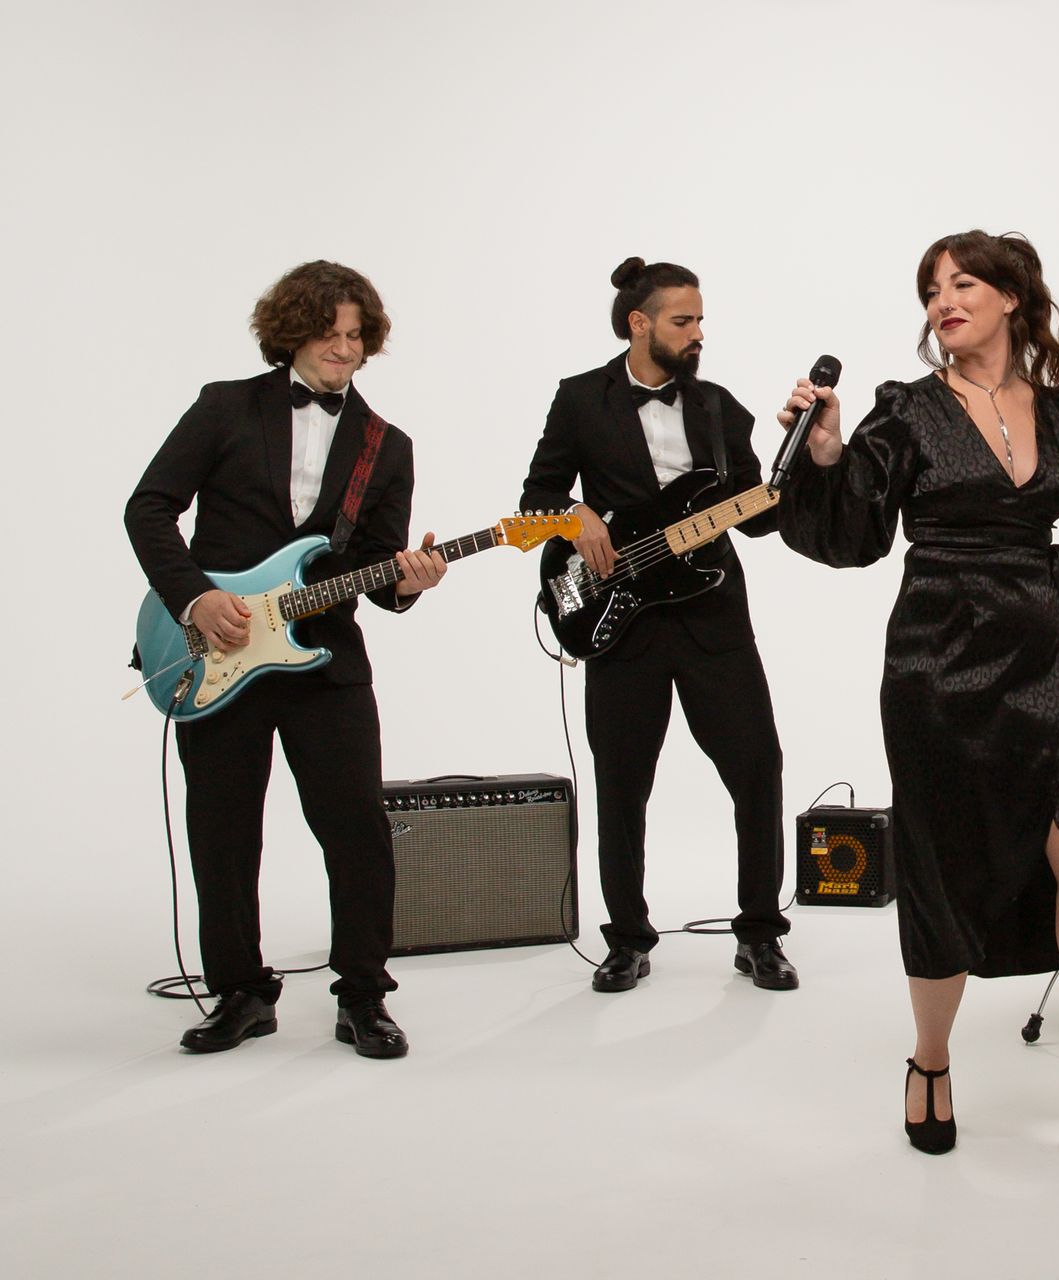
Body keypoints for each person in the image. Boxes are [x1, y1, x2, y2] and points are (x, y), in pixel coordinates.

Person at [775, 230, 1059, 1154]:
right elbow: (855, 535)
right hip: (938, 666)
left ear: (1012, 298)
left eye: (963, 283)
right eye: (932, 290)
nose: (944, 301)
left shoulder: (1057, 412)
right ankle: (931, 1060)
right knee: (942, 866)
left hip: (1046, 656)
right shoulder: (906, 408)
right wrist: (825, 456)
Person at [125, 260, 448, 1058]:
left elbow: (376, 571)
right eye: (329, 334)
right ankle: (240, 993)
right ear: (291, 332)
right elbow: (149, 508)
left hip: (324, 663)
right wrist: (196, 598)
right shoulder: (224, 407)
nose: (345, 350)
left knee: (358, 830)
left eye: (357, 337)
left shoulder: (387, 446)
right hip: (217, 652)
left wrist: (408, 582)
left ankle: (364, 996)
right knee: (223, 833)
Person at [519, 257, 795, 994]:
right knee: (621, 784)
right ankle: (627, 940)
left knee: (757, 768)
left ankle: (760, 933)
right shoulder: (581, 399)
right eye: (683, 320)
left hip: (713, 617)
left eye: (701, 319)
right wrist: (572, 515)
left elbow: (758, 517)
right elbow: (536, 495)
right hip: (621, 620)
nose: (698, 332)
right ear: (639, 323)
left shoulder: (720, 408)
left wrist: (804, 477)